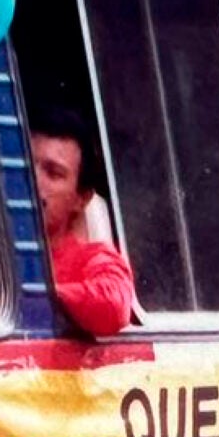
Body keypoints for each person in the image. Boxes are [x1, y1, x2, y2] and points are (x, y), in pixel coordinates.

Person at [28, 103, 136, 338]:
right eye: (26, 165)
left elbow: (114, 304)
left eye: (53, 173)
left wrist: (31, 297)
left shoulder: (89, 259)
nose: (32, 180)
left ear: (82, 199)